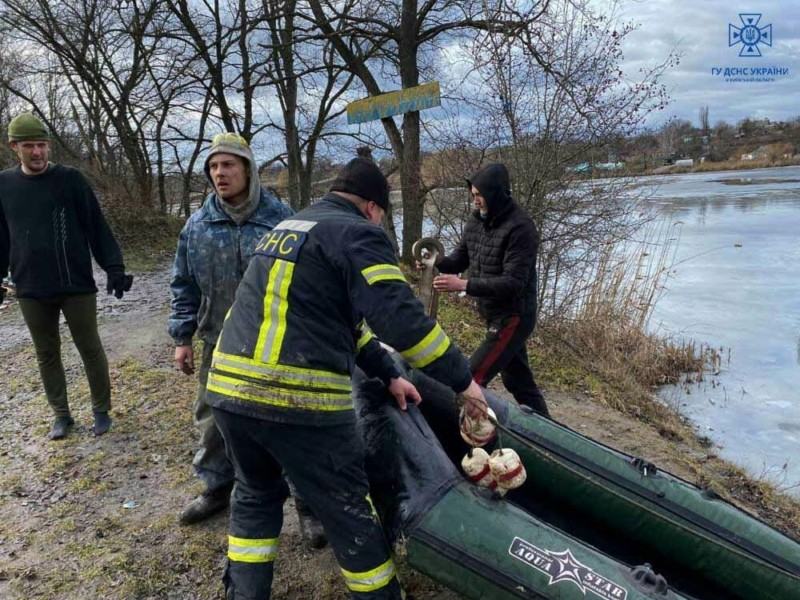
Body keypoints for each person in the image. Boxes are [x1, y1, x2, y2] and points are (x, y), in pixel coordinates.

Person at [206, 157, 488, 599]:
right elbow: (402, 321)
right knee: (348, 510)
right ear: (373, 208)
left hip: (230, 395)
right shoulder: (358, 233)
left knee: (256, 495)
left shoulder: (291, 227)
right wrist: (464, 383)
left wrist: (389, 375)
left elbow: (341, 323)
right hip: (299, 403)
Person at [168, 132, 306, 530]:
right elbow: (183, 284)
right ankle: (216, 488)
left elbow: (306, 281)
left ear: (247, 169)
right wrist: (182, 338)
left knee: (287, 420)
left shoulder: (282, 220)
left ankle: (306, 502)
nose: (219, 173)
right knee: (212, 420)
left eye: (228, 164)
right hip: (218, 341)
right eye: (213, 166)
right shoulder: (197, 226)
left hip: (274, 342)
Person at [0, 112, 132, 439]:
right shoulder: (4, 184)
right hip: (30, 286)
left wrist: (113, 268)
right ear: (14, 146)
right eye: (29, 146)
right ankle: (61, 414)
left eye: (42, 145)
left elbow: (96, 227)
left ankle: (101, 410)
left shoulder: (70, 180)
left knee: (90, 347)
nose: (38, 152)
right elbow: (2, 237)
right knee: (46, 353)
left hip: (75, 284)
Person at [431, 163, 550, 417]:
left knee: (471, 378)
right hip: (492, 312)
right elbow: (460, 259)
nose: (475, 201)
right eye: (472, 195)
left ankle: (469, 438)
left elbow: (513, 282)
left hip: (513, 316)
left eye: (479, 195)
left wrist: (463, 285)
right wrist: (435, 260)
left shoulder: (521, 227)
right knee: (518, 382)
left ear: (496, 193)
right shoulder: (476, 220)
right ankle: (553, 437)